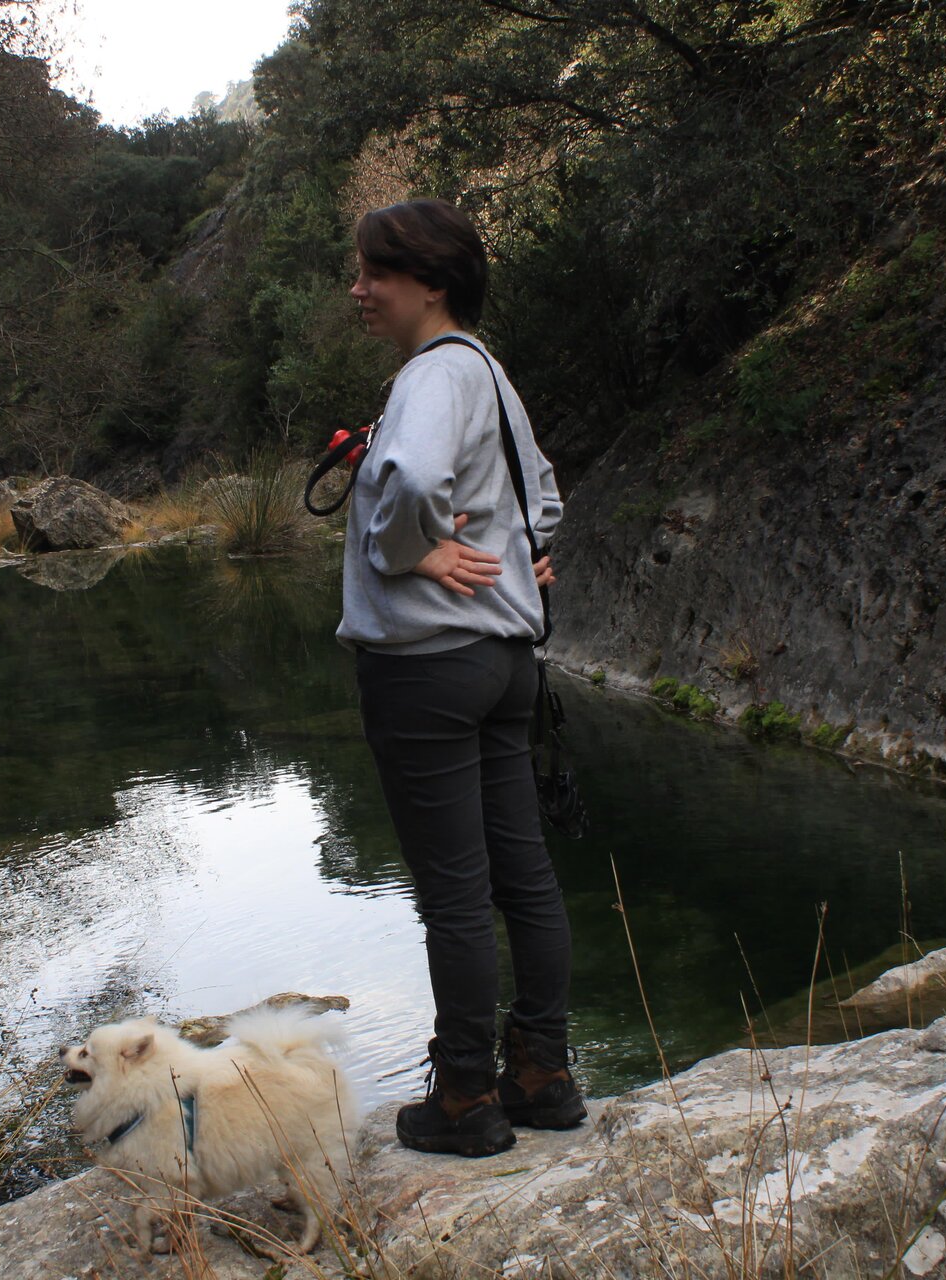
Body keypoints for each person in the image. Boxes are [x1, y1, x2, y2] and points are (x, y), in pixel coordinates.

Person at [338, 198, 584, 1157]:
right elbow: (546, 498)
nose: (359, 291)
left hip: (427, 669)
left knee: (454, 893)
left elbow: (404, 479)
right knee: (522, 876)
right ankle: (545, 1076)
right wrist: (523, 557)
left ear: (429, 283)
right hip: (503, 664)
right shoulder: (490, 372)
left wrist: (413, 556)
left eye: (374, 275)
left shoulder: (431, 376)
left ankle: (466, 1099)